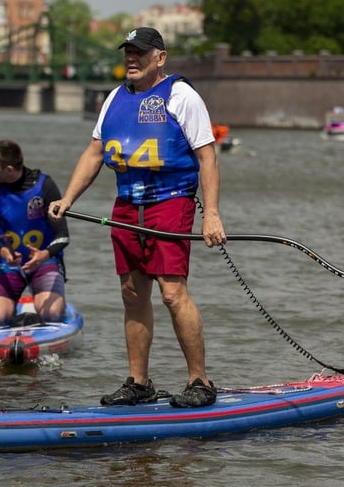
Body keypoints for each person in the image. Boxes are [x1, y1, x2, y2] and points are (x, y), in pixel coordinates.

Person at [49, 27, 226, 408]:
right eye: (127, 52)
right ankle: (139, 383)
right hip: (127, 206)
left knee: (172, 293)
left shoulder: (181, 96)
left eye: (140, 52)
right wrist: (67, 197)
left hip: (170, 203)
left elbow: (207, 156)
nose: (132, 58)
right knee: (132, 294)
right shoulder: (114, 97)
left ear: (160, 58)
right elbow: (95, 152)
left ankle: (200, 381)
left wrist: (210, 214)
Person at [0, 139, 69, 327]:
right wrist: (5, 252)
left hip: (46, 262)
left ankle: (53, 307)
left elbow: (63, 236)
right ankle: (14, 317)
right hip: (10, 263)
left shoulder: (45, 186)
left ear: (9, 169)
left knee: (52, 314)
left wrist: (44, 255)